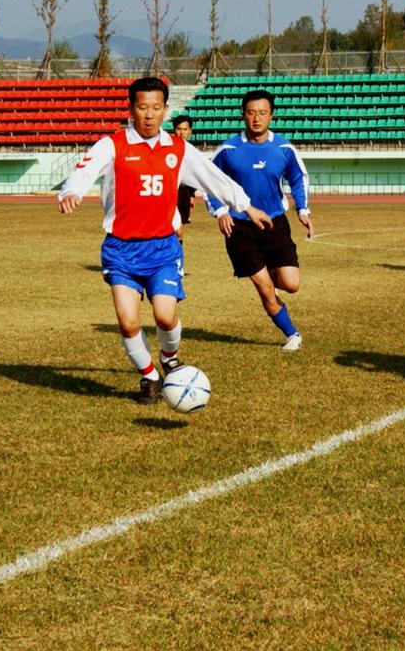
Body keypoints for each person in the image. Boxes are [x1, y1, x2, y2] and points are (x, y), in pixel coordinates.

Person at [58, 77, 273, 405]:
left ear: (166, 110)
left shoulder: (178, 148)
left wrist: (246, 206)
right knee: (128, 323)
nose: (149, 115)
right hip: (121, 249)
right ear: (131, 109)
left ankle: (169, 357)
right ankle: (149, 376)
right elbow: (84, 170)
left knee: (164, 317)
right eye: (142, 107)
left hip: (162, 247)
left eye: (156, 108)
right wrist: (71, 190)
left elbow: (212, 178)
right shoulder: (113, 145)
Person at [207, 89, 312, 351]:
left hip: (275, 224)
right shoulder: (229, 148)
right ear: (243, 115)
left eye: (263, 113)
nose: (257, 118)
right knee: (264, 287)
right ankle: (292, 334)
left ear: (271, 115)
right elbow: (209, 182)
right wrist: (220, 211)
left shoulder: (283, 148)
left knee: (291, 284)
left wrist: (303, 210)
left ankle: (270, 282)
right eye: (251, 113)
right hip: (239, 227)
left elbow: (298, 179)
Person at [171, 114, 197, 245]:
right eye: (179, 129)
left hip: (184, 193)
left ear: (190, 131)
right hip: (168, 192)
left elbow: (194, 174)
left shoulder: (192, 151)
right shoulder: (167, 149)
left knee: (179, 231)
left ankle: (177, 262)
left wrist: (192, 195)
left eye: (185, 129)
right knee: (169, 229)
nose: (182, 132)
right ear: (174, 130)